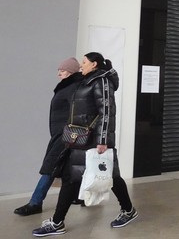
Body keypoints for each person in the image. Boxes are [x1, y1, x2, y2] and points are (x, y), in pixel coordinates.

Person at [32, 52, 138, 237]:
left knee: (111, 177)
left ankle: (128, 210)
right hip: (80, 138)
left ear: (94, 64)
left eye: (84, 62)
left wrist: (103, 140)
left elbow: (106, 111)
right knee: (70, 177)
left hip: (96, 140)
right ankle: (57, 222)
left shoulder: (102, 82)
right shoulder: (87, 81)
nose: (81, 65)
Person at [14, 57, 82, 216]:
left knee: (50, 167)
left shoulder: (72, 87)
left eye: (63, 70)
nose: (59, 73)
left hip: (65, 134)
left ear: (71, 72)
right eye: (59, 70)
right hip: (60, 134)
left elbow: (76, 111)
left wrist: (68, 131)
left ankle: (35, 203)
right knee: (68, 167)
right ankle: (79, 196)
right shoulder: (67, 86)